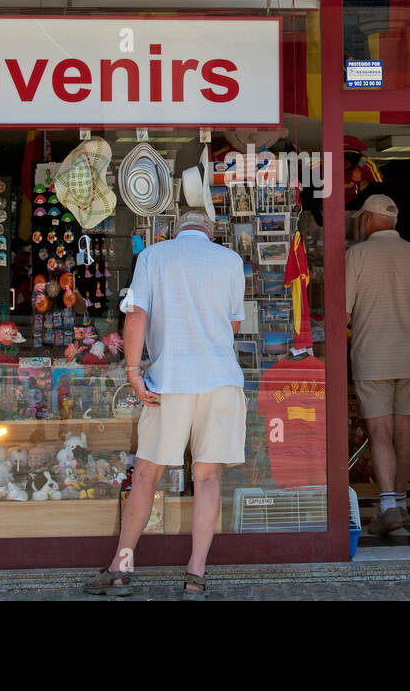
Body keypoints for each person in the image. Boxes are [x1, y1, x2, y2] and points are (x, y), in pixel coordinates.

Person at [85, 208, 246, 599]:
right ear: (210, 233)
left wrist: (133, 371)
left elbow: (136, 315)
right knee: (208, 478)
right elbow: (234, 324)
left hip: (170, 381)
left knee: (147, 474)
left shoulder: (153, 257)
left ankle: (121, 567)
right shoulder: (230, 260)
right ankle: (196, 573)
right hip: (220, 380)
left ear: (176, 231)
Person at [345, 194, 410, 536]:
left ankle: (388, 505)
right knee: (405, 433)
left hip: (373, 358)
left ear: (368, 220)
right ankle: (400, 503)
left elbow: (343, 312)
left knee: (380, 432)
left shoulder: (356, 256)